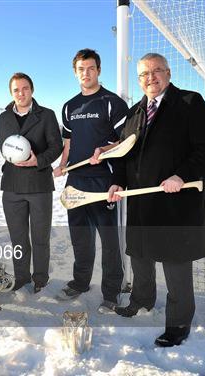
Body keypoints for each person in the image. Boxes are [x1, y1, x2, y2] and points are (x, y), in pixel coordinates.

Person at [106, 53, 205, 347]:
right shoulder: (134, 113)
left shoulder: (189, 103)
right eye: (144, 73)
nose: (151, 77)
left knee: (175, 263)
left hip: (176, 203)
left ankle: (179, 323)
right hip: (142, 202)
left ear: (168, 73)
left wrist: (181, 176)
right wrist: (117, 181)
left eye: (157, 71)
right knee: (141, 255)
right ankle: (141, 300)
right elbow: (123, 154)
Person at [53, 49, 128, 312]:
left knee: (109, 241)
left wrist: (104, 150)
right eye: (81, 69)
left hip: (103, 181)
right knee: (80, 237)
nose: (86, 73)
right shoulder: (69, 106)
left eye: (91, 68)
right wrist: (62, 165)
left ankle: (111, 291)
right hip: (75, 181)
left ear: (98, 70)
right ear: (75, 72)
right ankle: (80, 282)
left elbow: (125, 141)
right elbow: (68, 141)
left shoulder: (112, 102)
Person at [0, 73, 62, 293]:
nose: (21, 93)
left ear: (32, 90)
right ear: (11, 93)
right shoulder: (4, 118)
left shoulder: (47, 115)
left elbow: (56, 147)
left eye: (24, 88)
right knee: (17, 238)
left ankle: (40, 279)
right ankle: (21, 277)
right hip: (12, 185)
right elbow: (4, 147)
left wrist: (39, 160)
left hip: (39, 184)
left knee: (40, 237)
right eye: (16, 90)